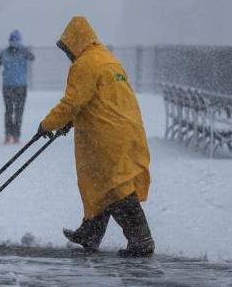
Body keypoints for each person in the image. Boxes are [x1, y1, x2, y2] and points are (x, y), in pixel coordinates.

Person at [37, 16, 154, 257]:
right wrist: (71, 121)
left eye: (68, 48)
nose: (68, 53)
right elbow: (98, 98)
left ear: (75, 42)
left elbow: (72, 102)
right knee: (103, 182)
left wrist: (47, 124)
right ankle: (91, 232)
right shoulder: (107, 59)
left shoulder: (86, 64)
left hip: (108, 134)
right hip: (126, 129)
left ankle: (141, 240)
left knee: (116, 187)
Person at [0, 30, 35, 144]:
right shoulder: (5, 53)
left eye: (16, 41)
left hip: (18, 86)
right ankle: (10, 135)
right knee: (12, 111)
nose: (14, 43)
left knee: (15, 111)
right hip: (11, 86)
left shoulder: (23, 52)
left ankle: (14, 135)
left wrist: (24, 49)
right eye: (13, 41)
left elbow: (32, 57)